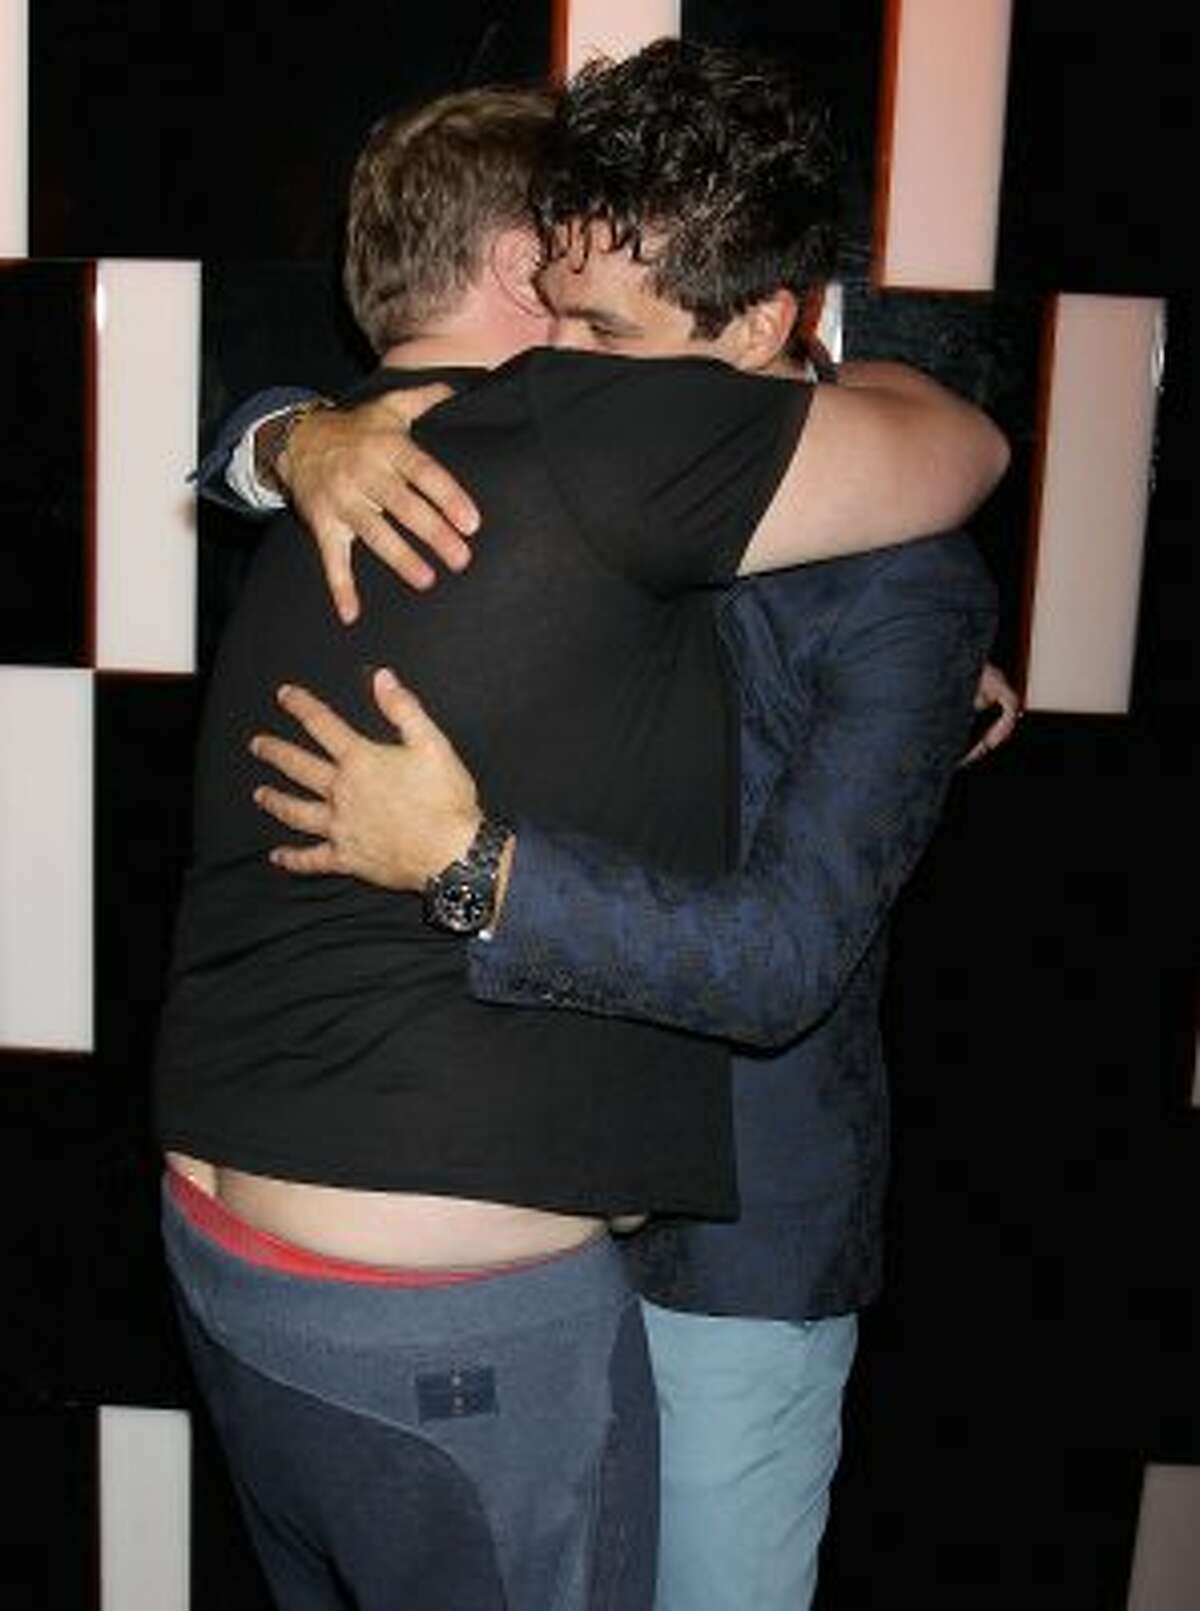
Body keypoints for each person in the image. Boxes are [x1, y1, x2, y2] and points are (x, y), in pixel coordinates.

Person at [212, 42, 1010, 1611]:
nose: (551, 373)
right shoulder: (596, 458)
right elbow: (319, 418)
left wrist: (468, 860)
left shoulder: (903, 581)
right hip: (550, 1228)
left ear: (770, 320)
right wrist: (289, 434)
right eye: (552, 319)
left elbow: (782, 965)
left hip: (731, 1256)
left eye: (602, 335)